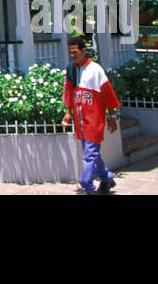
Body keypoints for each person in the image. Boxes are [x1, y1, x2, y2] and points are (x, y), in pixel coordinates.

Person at [62, 35, 121, 195]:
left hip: (95, 120)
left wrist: (112, 117)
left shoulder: (96, 70)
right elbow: (68, 92)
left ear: (84, 51)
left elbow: (108, 95)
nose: (73, 56)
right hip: (81, 120)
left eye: (75, 52)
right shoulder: (71, 70)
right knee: (92, 154)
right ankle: (107, 177)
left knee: (89, 155)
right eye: (71, 53)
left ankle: (86, 185)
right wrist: (68, 112)